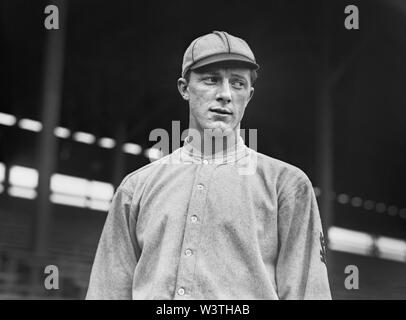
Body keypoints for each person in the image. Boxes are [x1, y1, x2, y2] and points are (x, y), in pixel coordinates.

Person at [86, 31, 331, 300]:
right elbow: (107, 291)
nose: (225, 94)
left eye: (237, 84)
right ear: (184, 88)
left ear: (248, 96)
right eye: (211, 80)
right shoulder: (136, 187)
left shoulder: (287, 185)